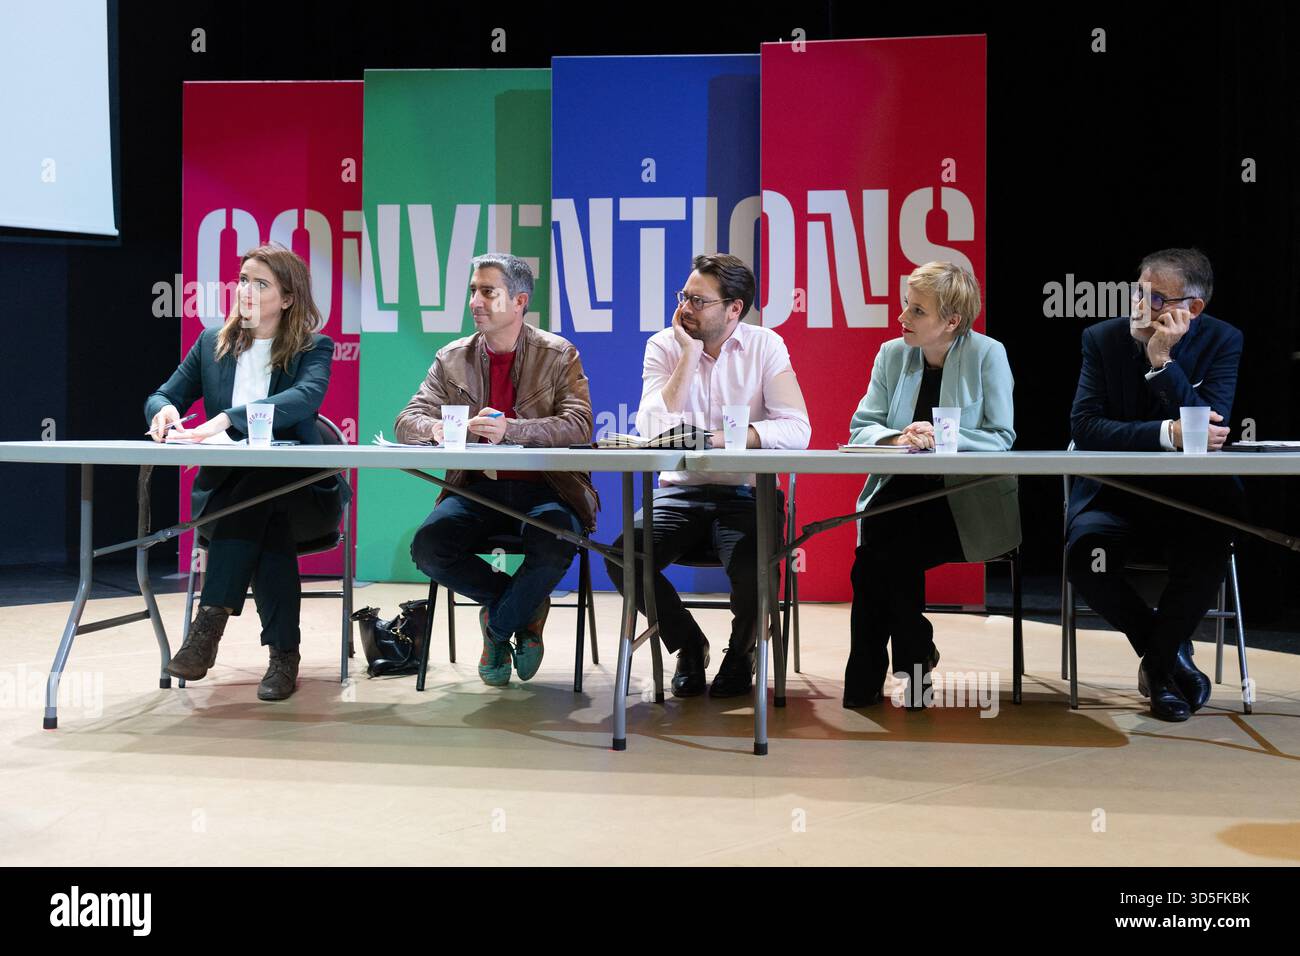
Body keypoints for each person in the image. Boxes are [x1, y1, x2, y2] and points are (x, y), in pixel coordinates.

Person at [146, 243, 350, 701]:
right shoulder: (212, 343)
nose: (246, 291)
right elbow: (163, 394)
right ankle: (283, 657)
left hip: (304, 496)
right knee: (263, 515)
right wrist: (164, 413)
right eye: (242, 280)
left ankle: (210, 623)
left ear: (288, 297)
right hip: (229, 497)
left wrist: (226, 420)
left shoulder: (312, 347)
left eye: (261, 283)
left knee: (267, 491)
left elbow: (305, 400)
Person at [605, 253, 811, 698]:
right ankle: (689, 644)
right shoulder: (665, 344)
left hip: (745, 495)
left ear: (734, 309)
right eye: (683, 297)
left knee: (756, 565)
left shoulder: (765, 346)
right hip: (680, 495)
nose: (685, 308)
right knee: (624, 557)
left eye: (698, 300)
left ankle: (741, 651)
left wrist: (722, 440)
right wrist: (688, 355)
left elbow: (797, 428)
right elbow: (652, 429)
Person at [398, 253, 598, 686]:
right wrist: (445, 427)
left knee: (556, 543)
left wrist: (513, 429)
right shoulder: (451, 358)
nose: (476, 301)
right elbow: (406, 421)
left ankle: (497, 627)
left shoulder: (558, 354)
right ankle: (522, 606)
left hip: (547, 490)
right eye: (473, 291)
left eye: (488, 292)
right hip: (477, 491)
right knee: (429, 547)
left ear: (520, 300)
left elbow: (579, 423)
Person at [1066, 247, 1243, 721]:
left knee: (1209, 546)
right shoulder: (1101, 340)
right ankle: (1169, 659)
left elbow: (1206, 434)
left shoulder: (1223, 341)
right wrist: (1168, 433)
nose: (1141, 307)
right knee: (1086, 559)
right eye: (1138, 292)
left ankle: (1160, 667)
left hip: (1189, 499)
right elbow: (1085, 427)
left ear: (1193, 308)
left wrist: (1162, 362)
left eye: (1157, 299)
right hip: (1115, 494)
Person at [844, 261, 1020, 710]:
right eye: (907, 304)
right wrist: (898, 437)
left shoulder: (987, 354)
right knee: (880, 556)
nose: (902, 317)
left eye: (916, 310)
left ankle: (869, 681)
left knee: (880, 558)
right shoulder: (891, 355)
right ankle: (915, 658)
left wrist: (945, 438)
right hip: (898, 494)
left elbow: (1002, 437)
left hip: (962, 502)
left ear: (951, 322)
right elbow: (862, 426)